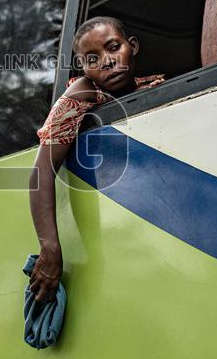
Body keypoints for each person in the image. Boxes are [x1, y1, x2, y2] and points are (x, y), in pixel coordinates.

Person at [28, 16, 164, 302]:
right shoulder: (81, 94)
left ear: (133, 46)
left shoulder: (149, 84)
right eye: (93, 59)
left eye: (113, 48)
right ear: (84, 69)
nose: (107, 61)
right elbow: (40, 172)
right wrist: (50, 248)